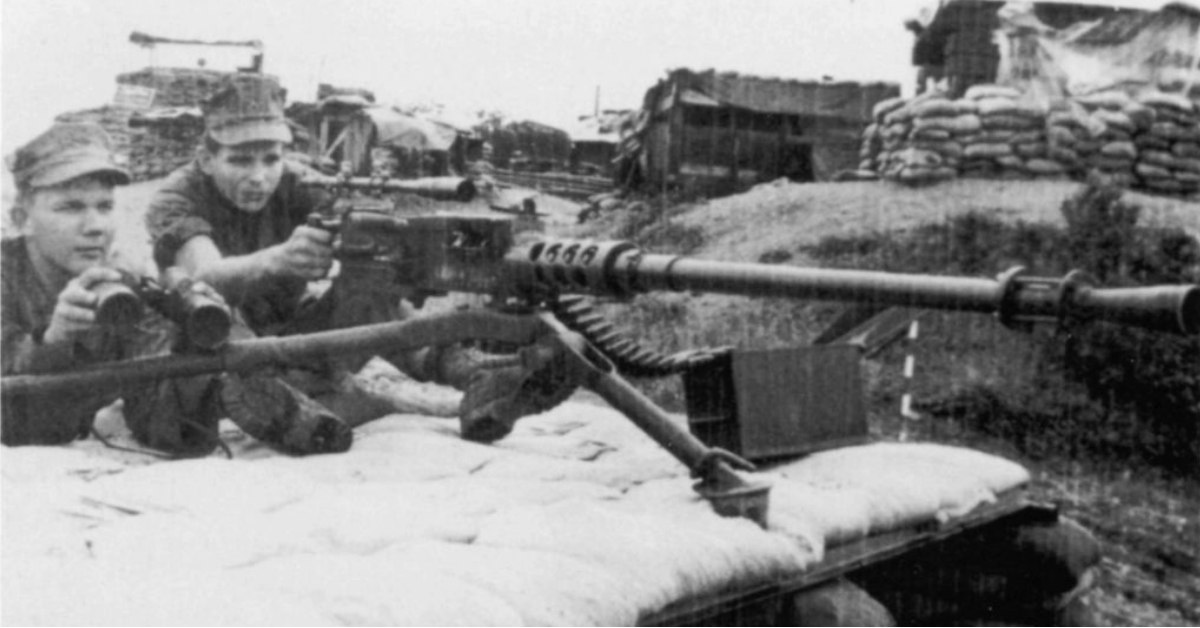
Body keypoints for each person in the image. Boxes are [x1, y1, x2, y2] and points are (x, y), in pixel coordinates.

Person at [145, 74, 572, 442]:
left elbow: (369, 240)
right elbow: (205, 274)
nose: (259, 176)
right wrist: (276, 260)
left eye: (271, 159)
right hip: (215, 352)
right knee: (213, 314)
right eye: (240, 160)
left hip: (299, 347)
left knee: (373, 273)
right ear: (206, 159)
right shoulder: (177, 197)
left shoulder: (297, 182)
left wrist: (404, 254)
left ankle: (473, 374)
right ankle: (294, 404)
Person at [1, 122, 350, 455]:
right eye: (70, 207)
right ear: (21, 219)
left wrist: (193, 346)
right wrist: (54, 341)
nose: (95, 226)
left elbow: (168, 428)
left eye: (105, 206)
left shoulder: (124, 280)